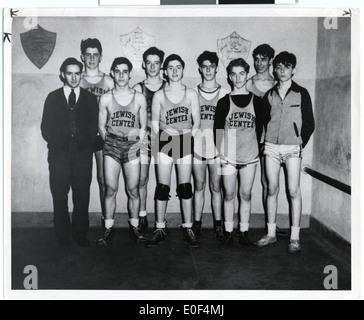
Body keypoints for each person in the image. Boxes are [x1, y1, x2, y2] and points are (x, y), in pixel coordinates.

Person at [256, 51, 315, 254]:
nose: (282, 71)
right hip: (271, 147)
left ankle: (295, 238)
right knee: (272, 189)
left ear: (293, 70)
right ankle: (271, 233)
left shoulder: (302, 93)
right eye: (279, 67)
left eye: (287, 67)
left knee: (293, 191)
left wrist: (299, 143)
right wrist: (264, 144)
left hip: (292, 149)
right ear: (275, 69)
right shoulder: (269, 95)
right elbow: (262, 122)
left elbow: (309, 124)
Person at [41, 57, 98, 248]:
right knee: (59, 195)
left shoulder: (90, 99)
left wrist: (84, 146)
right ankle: (62, 236)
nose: (73, 78)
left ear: (81, 75)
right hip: (59, 157)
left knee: (82, 196)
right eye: (69, 73)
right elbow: (46, 128)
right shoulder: (53, 97)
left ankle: (80, 234)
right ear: (62, 75)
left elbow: (94, 128)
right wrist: (61, 145)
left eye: (77, 73)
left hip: (83, 157)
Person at [148, 54, 201, 247]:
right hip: (164, 141)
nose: (174, 71)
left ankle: (188, 228)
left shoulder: (191, 94)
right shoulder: (159, 95)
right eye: (170, 68)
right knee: (162, 187)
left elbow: (197, 121)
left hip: (185, 140)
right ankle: (160, 227)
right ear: (165, 71)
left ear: (183, 69)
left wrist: (187, 138)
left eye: (178, 67)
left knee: (185, 187)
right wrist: (165, 138)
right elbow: (154, 122)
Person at [214, 58, 264, 250]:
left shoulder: (257, 102)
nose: (237, 77)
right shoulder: (224, 102)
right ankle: (227, 232)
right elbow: (217, 130)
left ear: (247, 73)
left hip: (250, 156)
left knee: (246, 194)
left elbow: (259, 129)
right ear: (228, 76)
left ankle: (243, 232)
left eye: (241, 73)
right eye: (233, 74)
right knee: (229, 194)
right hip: (228, 156)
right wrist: (221, 154)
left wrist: (255, 150)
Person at [97, 57, 147, 246]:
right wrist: (111, 142)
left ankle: (134, 227)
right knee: (110, 188)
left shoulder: (139, 97)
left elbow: (143, 126)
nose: (121, 75)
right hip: (112, 145)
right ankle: (108, 228)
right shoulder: (106, 98)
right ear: (112, 73)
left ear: (130, 74)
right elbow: (101, 126)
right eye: (117, 71)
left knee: (133, 189)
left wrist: (135, 144)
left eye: (125, 71)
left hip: (132, 145)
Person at [246, 44, 288, 238]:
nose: (259, 63)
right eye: (256, 59)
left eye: (263, 59)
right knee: (242, 183)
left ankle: (269, 224)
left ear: (271, 61)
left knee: (268, 183)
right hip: (248, 138)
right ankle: (239, 225)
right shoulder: (247, 83)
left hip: (269, 139)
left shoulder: (277, 84)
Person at [192, 51, 229, 241]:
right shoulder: (193, 93)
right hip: (197, 146)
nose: (208, 69)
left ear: (216, 67)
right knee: (198, 186)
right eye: (204, 66)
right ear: (199, 68)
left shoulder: (224, 94)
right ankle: (196, 225)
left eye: (211, 66)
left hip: (217, 148)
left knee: (216, 188)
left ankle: (218, 225)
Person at [79, 38, 114, 230]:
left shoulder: (108, 80)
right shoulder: (78, 78)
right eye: (88, 54)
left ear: (100, 56)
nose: (92, 58)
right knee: (83, 180)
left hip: (102, 135)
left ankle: (105, 219)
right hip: (83, 137)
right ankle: (81, 223)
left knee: (103, 180)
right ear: (82, 56)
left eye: (95, 54)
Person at [133, 47, 166, 235]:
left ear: (161, 65)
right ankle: (143, 215)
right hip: (144, 137)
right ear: (144, 64)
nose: (153, 66)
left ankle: (161, 222)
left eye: (156, 63)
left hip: (166, 138)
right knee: (142, 179)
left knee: (164, 182)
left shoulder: (169, 85)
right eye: (149, 63)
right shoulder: (138, 88)